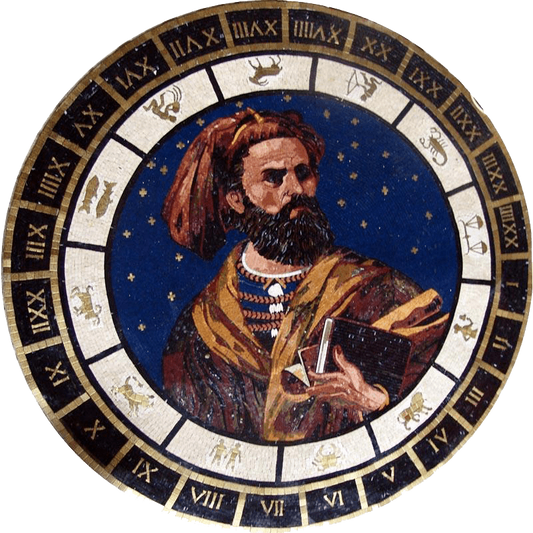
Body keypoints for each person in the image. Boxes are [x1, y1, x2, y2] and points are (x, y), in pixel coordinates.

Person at [161, 108, 448, 442]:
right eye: (273, 178)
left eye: (303, 173)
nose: (295, 188)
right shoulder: (201, 325)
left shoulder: (379, 289)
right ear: (237, 199)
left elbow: (438, 386)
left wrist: (374, 401)